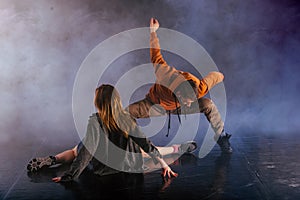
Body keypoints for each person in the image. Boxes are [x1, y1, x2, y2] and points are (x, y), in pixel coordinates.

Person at [27, 84, 198, 182]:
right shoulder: (126, 118)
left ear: (97, 102)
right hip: (128, 163)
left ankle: (54, 159)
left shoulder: (95, 121)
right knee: (146, 152)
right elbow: (145, 142)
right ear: (117, 100)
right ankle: (178, 148)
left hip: (103, 163)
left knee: (76, 150)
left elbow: (86, 152)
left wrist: (70, 176)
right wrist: (164, 164)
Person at [126, 18, 232, 153]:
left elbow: (214, 76)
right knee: (125, 113)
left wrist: (222, 76)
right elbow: (155, 54)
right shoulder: (165, 75)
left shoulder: (199, 88)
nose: (189, 105)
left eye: (190, 102)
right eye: (187, 102)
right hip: (155, 105)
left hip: (177, 107)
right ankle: (137, 144)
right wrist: (153, 32)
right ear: (179, 94)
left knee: (208, 104)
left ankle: (221, 137)